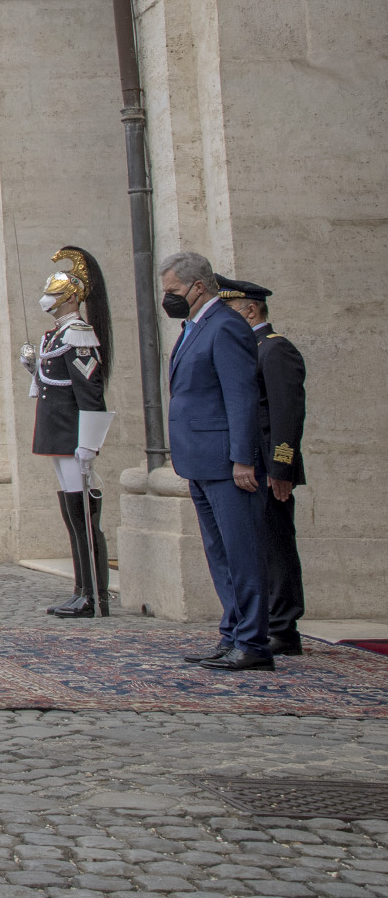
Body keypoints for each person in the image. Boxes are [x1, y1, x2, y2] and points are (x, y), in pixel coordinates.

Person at [161, 249, 270, 671]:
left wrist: (242, 459)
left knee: (241, 552)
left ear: (198, 287)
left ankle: (254, 642)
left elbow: (240, 396)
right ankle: (233, 632)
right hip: (199, 459)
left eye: (173, 290)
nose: (168, 297)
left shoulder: (225, 326)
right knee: (219, 553)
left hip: (227, 463)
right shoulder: (195, 326)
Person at [216, 274, 306, 658]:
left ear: (250, 310)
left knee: (275, 547)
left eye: (231, 311)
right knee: (253, 547)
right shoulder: (245, 349)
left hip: (270, 468)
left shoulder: (274, 349)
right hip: (247, 465)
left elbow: (287, 416)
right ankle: (263, 620)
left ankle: (284, 627)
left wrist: (281, 470)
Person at [24, 245, 114, 617]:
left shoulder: (78, 334)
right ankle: (81, 588)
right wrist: (32, 366)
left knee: (84, 516)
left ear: (72, 297)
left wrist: (89, 444)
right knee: (71, 511)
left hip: (73, 434)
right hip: (57, 434)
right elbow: (50, 382)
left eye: (55, 292)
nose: (48, 298)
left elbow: (90, 391)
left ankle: (94, 595)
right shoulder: (55, 336)